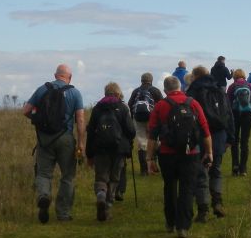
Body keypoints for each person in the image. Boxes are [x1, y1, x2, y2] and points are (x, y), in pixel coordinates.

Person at [147, 76, 212, 238]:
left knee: (169, 187)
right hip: (190, 154)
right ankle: (183, 226)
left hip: (167, 154)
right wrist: (209, 152)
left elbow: (152, 136)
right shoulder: (193, 103)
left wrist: (150, 159)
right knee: (187, 189)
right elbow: (205, 131)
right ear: (180, 87)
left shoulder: (160, 106)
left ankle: (170, 222)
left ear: (165, 90)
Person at [23, 64, 86, 223]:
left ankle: (44, 196)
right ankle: (63, 213)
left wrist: (39, 120)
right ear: (69, 77)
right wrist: (80, 143)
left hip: (44, 139)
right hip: (65, 138)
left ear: (55, 75)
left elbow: (25, 111)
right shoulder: (75, 93)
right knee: (68, 176)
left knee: (44, 173)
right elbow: (80, 119)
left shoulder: (42, 89)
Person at [186, 65, 235, 222]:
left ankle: (203, 210)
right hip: (219, 136)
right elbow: (229, 115)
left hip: (200, 137)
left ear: (195, 76)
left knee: (201, 174)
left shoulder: (192, 93)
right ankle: (218, 203)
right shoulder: (219, 90)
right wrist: (231, 137)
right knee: (216, 170)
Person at [85, 82, 135, 222]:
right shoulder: (123, 108)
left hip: (100, 149)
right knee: (114, 178)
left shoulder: (97, 108)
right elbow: (131, 131)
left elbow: (91, 133)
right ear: (118, 94)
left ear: (105, 93)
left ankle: (101, 194)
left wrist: (89, 154)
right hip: (119, 150)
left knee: (101, 177)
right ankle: (107, 205)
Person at [124, 73, 164, 189]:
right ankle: (155, 166)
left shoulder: (136, 91)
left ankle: (144, 170)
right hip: (153, 119)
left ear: (141, 80)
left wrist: (131, 120)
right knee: (155, 141)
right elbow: (161, 104)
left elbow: (130, 105)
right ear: (151, 80)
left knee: (142, 144)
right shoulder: (155, 91)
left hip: (138, 119)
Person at [227, 69, 251, 177]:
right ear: (244, 76)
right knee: (244, 142)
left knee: (234, 141)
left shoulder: (232, 87)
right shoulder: (250, 86)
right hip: (247, 115)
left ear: (234, 77)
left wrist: (226, 119)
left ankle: (235, 167)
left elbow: (227, 103)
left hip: (235, 115)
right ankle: (243, 169)